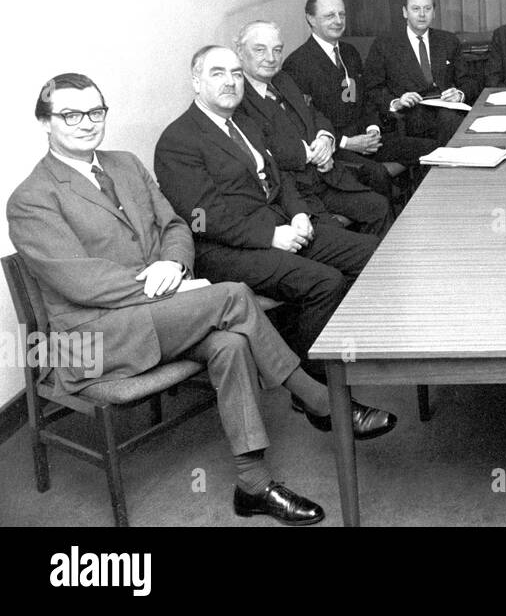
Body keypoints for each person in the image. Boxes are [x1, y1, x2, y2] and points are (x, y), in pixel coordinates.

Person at [8, 73, 394, 526]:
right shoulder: (30, 199)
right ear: (45, 123)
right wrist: (172, 287)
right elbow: (80, 282)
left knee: (229, 344)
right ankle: (321, 402)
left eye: (96, 111)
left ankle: (252, 483)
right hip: (92, 338)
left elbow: (175, 225)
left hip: (158, 315)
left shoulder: (125, 164)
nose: (86, 123)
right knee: (231, 296)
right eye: (70, 114)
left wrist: (174, 266)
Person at [153, 46, 385, 420]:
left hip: (281, 226)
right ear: (196, 81)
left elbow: (280, 180)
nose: (230, 81)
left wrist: (299, 216)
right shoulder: (178, 140)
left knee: (373, 253)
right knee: (325, 282)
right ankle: (317, 393)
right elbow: (203, 216)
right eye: (217, 73)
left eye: (236, 73)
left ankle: (335, 351)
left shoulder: (243, 123)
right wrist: (271, 234)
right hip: (226, 249)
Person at [234, 20, 391, 237]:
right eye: (260, 50)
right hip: (291, 192)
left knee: (379, 207)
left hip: (325, 179)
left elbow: (315, 114)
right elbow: (262, 150)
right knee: (340, 238)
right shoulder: (237, 98)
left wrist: (326, 138)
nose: (271, 58)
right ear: (240, 53)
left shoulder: (283, 79)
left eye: (277, 50)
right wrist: (313, 153)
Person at [281, 0, 439, 172]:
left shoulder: (349, 53)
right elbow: (306, 121)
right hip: (337, 147)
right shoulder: (297, 64)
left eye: (342, 14)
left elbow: (365, 99)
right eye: (329, 16)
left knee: (432, 149)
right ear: (311, 19)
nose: (338, 21)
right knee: (377, 174)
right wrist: (347, 142)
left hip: (366, 138)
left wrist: (373, 129)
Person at [362, 0, 475, 148]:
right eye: (416, 9)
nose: (422, 14)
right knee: (451, 125)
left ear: (434, 12)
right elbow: (372, 88)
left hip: (448, 110)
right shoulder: (385, 44)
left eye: (427, 9)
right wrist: (396, 102)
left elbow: (469, 81)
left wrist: (459, 94)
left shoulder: (448, 41)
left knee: (455, 121)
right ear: (405, 12)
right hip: (410, 116)